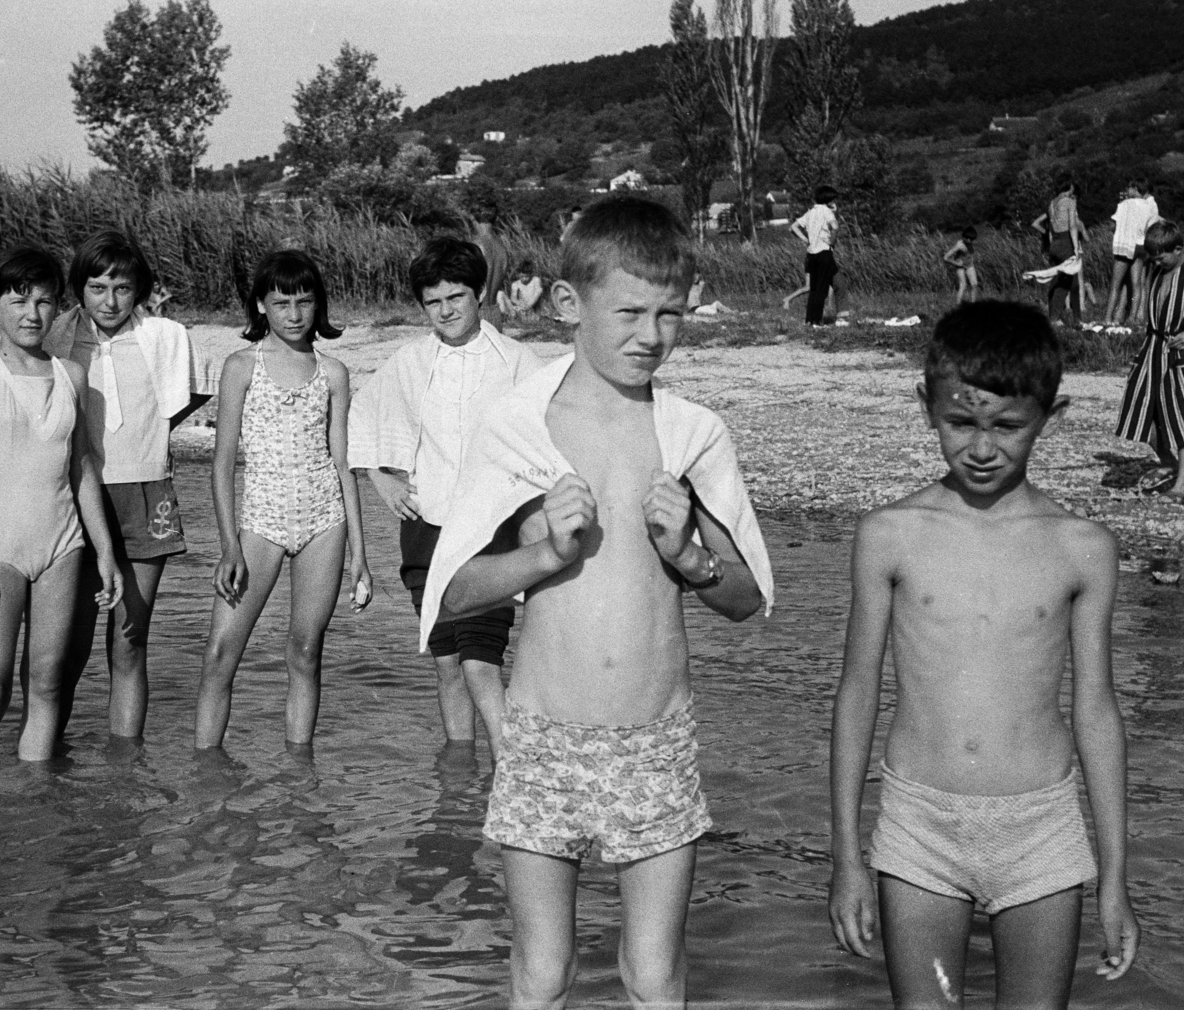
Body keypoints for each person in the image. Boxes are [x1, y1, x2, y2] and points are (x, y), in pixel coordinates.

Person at [422, 195, 774, 1007]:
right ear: (568, 305)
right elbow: (454, 593)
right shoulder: (518, 427)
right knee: (541, 972)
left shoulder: (691, 433)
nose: (650, 336)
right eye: (630, 312)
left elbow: (748, 597)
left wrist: (685, 554)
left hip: (657, 736)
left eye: (671, 314)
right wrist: (545, 553)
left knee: (655, 974)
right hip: (541, 736)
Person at [829, 300, 1140, 1008]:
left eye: (1007, 426)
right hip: (918, 826)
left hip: (1041, 831)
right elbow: (856, 692)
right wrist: (847, 853)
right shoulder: (890, 534)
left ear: (1050, 418)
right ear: (926, 406)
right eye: (959, 421)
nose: (981, 446)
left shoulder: (1082, 547)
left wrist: (1115, 877)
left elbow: (1096, 709)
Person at [350, 236, 544, 753]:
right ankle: (458, 788)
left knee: (481, 662)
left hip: (492, 530)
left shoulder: (517, 361)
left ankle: (517, 780)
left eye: (455, 297)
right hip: (426, 528)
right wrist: (378, 476)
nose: (445, 310)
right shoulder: (409, 361)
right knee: (447, 666)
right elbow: (361, 417)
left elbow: (551, 436)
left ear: (479, 292)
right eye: (433, 302)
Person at [0, 247, 120, 771]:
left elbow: (83, 469)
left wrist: (105, 553)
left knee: (46, 683)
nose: (32, 312)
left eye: (44, 302)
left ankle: (36, 801)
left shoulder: (72, 374)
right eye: (18, 300)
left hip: (63, 547)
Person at [195, 249, 373, 751]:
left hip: (325, 520)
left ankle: (300, 773)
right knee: (219, 653)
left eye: (304, 301)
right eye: (280, 303)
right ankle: (206, 773)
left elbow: (343, 465)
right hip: (259, 521)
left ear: (318, 304)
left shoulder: (333, 373)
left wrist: (360, 552)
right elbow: (222, 462)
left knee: (305, 651)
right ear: (260, 306)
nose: (293, 315)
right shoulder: (239, 366)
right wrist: (229, 546)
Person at [44, 231, 215, 744]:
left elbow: (187, 395)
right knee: (65, 647)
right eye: (97, 287)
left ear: (139, 287)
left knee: (129, 639)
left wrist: (145, 440)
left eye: (122, 287)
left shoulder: (164, 335)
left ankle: (126, 768)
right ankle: (49, 759)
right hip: (74, 494)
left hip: (145, 492)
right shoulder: (55, 335)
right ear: (79, 289)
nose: (110, 300)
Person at [1115, 219, 1184, 500]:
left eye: (1161, 256)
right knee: (1142, 413)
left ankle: (1183, 485)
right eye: (1153, 256)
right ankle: (1171, 466)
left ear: (1179, 249)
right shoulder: (1158, 271)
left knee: (1181, 415)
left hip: (1179, 353)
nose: (1156, 261)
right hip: (1153, 348)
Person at [1032, 177, 1087, 326]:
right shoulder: (1070, 202)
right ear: (1069, 187)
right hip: (1066, 243)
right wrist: (1076, 247)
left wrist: (1051, 244)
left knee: (1069, 283)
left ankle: (1077, 319)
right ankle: (1054, 319)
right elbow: (1073, 226)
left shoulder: (1051, 204)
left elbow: (1049, 229)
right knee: (1066, 283)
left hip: (1054, 244)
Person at [1106, 179, 1159, 325]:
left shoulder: (1124, 205)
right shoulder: (1149, 207)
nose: (1127, 191)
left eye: (1129, 188)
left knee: (1116, 283)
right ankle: (1132, 317)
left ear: (1135, 189)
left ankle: (1108, 318)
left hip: (1125, 246)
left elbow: (1113, 224)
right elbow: (1150, 228)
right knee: (1137, 284)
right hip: (1141, 246)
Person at [791, 185, 840, 325]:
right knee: (822, 288)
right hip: (824, 252)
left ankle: (809, 320)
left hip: (811, 254)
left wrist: (805, 239)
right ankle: (817, 322)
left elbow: (793, 227)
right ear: (828, 199)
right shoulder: (827, 212)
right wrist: (832, 240)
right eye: (833, 198)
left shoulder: (810, 212)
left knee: (813, 289)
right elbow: (835, 227)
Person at [941, 226, 980, 304]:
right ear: (964, 237)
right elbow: (945, 257)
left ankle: (973, 306)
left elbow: (969, 254)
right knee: (963, 285)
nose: (969, 240)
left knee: (974, 285)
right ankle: (958, 307)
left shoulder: (970, 242)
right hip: (960, 267)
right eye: (967, 238)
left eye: (971, 239)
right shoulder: (959, 245)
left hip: (969, 265)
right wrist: (955, 263)